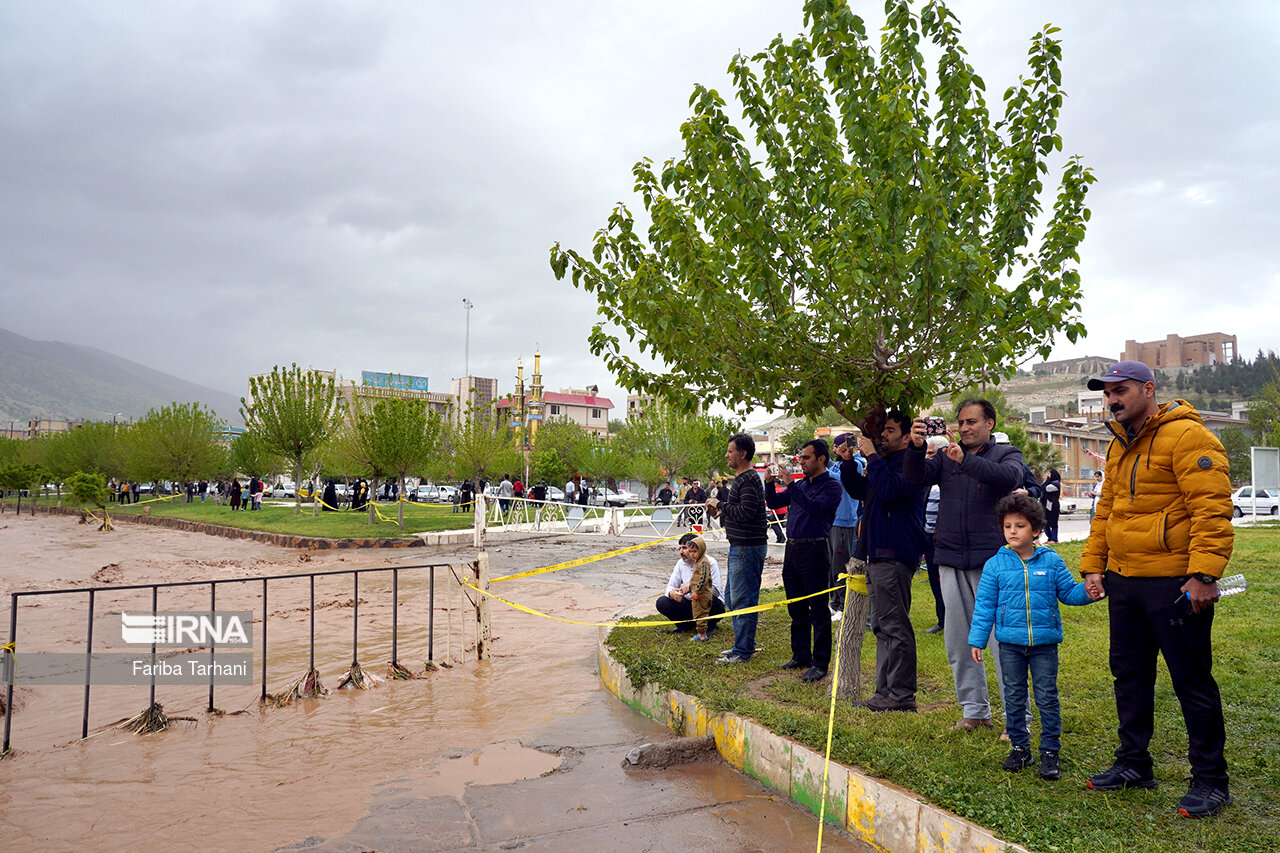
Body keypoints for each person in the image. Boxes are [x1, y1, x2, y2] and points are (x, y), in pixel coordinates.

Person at [1078, 360, 1234, 818]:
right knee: (1129, 677)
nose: (1112, 399)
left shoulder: (1188, 437)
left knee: (1191, 681)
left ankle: (1210, 779)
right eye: (1107, 393)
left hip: (1173, 582)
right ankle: (1133, 765)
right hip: (1125, 581)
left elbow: (1212, 509)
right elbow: (1106, 511)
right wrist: (1093, 565)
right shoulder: (1119, 444)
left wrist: (1204, 575)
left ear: (1148, 389)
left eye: (1120, 390)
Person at [904, 399, 1025, 732]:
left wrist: (966, 460)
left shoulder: (1007, 454)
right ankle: (974, 711)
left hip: (994, 563)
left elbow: (1007, 478)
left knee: (1004, 645)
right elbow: (914, 479)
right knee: (959, 642)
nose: (965, 428)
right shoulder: (945, 458)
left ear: (989, 423)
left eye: (972, 421)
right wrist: (915, 448)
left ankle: (1016, 720)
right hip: (950, 558)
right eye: (960, 422)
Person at [969, 493, 1095, 781]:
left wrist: (1089, 592)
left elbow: (1069, 594)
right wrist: (977, 639)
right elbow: (984, 606)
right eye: (1007, 526)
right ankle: (1020, 748)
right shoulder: (994, 565)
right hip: (1009, 645)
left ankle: (1050, 751)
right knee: (1013, 696)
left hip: (1044, 645)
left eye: (1020, 526)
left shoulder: (1051, 561)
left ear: (1036, 530)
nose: (1012, 531)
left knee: (1047, 697)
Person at [837, 411, 927, 711]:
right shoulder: (884, 464)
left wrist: (872, 456)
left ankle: (902, 695)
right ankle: (885, 692)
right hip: (876, 553)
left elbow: (890, 492)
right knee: (881, 625)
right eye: (882, 431)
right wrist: (849, 462)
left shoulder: (910, 465)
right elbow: (863, 492)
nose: (883, 436)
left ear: (906, 437)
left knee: (895, 625)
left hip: (895, 552)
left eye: (889, 430)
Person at [762, 439, 843, 682]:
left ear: (821, 459)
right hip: (793, 549)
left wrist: (790, 485)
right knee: (796, 606)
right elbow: (776, 503)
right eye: (800, 457)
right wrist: (770, 484)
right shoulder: (801, 485)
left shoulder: (831, 486)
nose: (801, 461)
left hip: (815, 549)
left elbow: (814, 509)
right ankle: (801, 655)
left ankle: (820, 663)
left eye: (806, 457)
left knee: (818, 609)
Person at [705, 433, 769, 665]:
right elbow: (740, 509)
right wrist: (721, 510)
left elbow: (746, 512)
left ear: (742, 454)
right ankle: (742, 645)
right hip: (739, 546)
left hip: (747, 548)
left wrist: (720, 504)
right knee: (733, 597)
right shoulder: (743, 480)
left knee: (743, 599)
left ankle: (743, 651)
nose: (726, 455)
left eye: (730, 451)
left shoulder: (748, 479)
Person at [655, 533, 726, 637]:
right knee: (662, 602)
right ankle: (684, 626)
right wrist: (673, 593)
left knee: (704, 597)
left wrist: (693, 586)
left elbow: (715, 591)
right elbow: (670, 586)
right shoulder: (680, 563)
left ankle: (710, 626)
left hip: (711, 604)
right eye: (680, 548)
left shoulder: (710, 562)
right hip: (691, 603)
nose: (681, 552)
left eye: (684, 548)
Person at [827, 433, 863, 616]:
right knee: (833, 565)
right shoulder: (840, 464)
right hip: (834, 520)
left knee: (842, 565)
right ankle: (834, 602)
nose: (835, 450)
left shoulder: (857, 464)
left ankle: (843, 604)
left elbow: (836, 478)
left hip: (846, 522)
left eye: (837, 446)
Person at [922, 435, 948, 634]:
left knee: (947, 583)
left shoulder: (949, 478)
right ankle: (942, 621)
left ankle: (953, 621)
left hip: (946, 542)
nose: (927, 456)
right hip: (929, 541)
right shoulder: (927, 481)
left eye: (931, 453)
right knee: (934, 581)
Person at [1040, 469, 1062, 543]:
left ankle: (1054, 539)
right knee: (1045, 523)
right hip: (1046, 506)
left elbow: (1046, 488)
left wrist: (1047, 481)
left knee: (1053, 523)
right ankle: (1049, 538)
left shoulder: (1056, 483)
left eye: (1049, 473)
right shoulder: (1049, 482)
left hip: (1053, 506)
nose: (1048, 475)